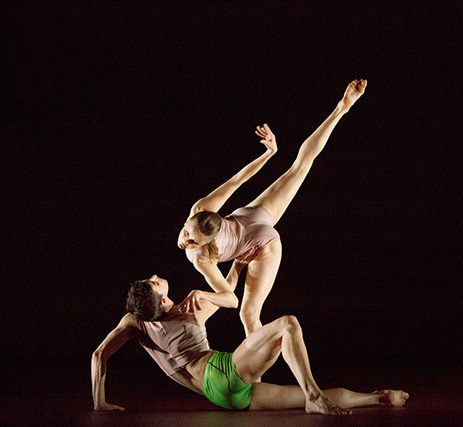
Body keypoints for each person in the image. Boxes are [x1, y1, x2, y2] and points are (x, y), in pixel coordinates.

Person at [177, 79, 367, 336]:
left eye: (191, 238)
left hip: (261, 242)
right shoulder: (200, 213)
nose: (186, 241)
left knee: (248, 315)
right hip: (249, 218)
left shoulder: (201, 255)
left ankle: (342, 107)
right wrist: (237, 267)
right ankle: (341, 108)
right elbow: (237, 181)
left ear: (206, 236)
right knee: (298, 168)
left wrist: (268, 154)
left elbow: (230, 298)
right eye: (189, 236)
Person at [91, 262, 409, 414]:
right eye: (154, 282)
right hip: (222, 371)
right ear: (163, 301)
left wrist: (99, 402)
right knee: (288, 325)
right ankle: (314, 394)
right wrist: (227, 275)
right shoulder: (190, 308)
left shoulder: (136, 322)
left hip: (224, 397)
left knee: (304, 398)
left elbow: (98, 355)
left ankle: (377, 397)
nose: (155, 276)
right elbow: (227, 297)